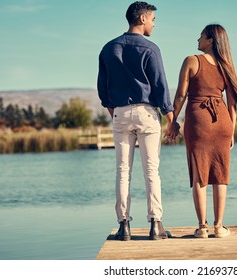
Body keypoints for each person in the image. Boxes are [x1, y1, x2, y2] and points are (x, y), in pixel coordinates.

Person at [97, 1, 174, 241]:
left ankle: (124, 226)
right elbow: (160, 86)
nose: (154, 23)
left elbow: (103, 88)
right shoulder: (151, 49)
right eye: (152, 19)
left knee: (123, 171)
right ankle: (156, 225)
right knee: (151, 170)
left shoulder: (109, 48)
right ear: (142, 19)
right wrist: (171, 118)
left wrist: (115, 110)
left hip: (120, 112)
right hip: (147, 113)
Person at [166, 24, 237, 238]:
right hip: (222, 123)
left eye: (201, 36)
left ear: (210, 40)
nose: (197, 39)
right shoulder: (226, 65)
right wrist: (232, 132)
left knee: (199, 174)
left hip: (199, 122)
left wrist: (172, 121)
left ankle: (202, 227)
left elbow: (181, 96)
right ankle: (219, 227)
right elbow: (232, 104)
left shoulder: (192, 61)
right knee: (220, 174)